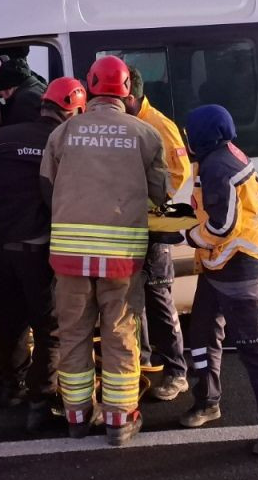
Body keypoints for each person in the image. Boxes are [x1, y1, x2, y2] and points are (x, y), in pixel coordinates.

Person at [40, 56, 168, 446]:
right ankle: (119, 420)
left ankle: (78, 418)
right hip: (121, 258)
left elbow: (47, 186)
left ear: (90, 87)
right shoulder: (145, 134)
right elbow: (160, 194)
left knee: (74, 334)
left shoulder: (64, 132)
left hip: (69, 257)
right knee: (120, 335)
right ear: (127, 90)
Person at [0, 77, 88, 431]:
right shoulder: (63, 143)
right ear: (73, 111)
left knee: (9, 324)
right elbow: (67, 197)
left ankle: (13, 387)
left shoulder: (3, 137)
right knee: (47, 325)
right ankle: (41, 398)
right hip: (35, 250)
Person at [177, 104, 258, 457]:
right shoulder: (226, 153)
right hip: (217, 268)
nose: (186, 138)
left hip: (238, 272)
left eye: (189, 132)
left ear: (203, 136)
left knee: (254, 348)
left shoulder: (217, 166)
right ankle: (207, 403)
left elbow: (222, 227)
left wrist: (188, 236)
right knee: (201, 337)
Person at [125, 68, 192, 401]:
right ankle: (146, 362)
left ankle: (177, 372)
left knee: (159, 299)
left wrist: (150, 198)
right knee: (135, 301)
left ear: (131, 96)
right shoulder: (129, 124)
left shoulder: (159, 125)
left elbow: (179, 173)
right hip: (133, 226)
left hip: (154, 226)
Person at [0, 48, 47, 127]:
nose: (4, 99)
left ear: (8, 89)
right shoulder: (39, 87)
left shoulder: (25, 100)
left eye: (2, 96)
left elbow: (19, 133)